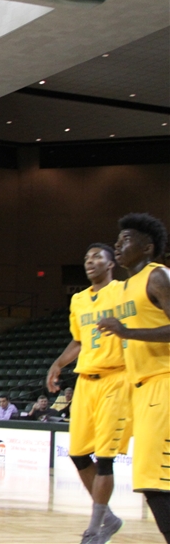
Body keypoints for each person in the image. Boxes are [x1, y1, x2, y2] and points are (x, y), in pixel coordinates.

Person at [46, 243, 127, 544]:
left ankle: (95, 529)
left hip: (116, 379)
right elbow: (79, 340)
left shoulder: (123, 291)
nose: (89, 262)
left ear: (111, 264)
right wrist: (58, 363)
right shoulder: (78, 300)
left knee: (105, 458)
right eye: (86, 258)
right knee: (79, 454)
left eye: (97, 258)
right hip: (85, 381)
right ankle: (109, 518)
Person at [98, 213, 170, 544]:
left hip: (164, 383)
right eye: (118, 240)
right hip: (143, 389)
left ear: (147, 248)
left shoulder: (158, 277)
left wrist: (127, 331)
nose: (118, 244)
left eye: (126, 239)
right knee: (154, 481)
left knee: (154, 481)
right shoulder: (126, 287)